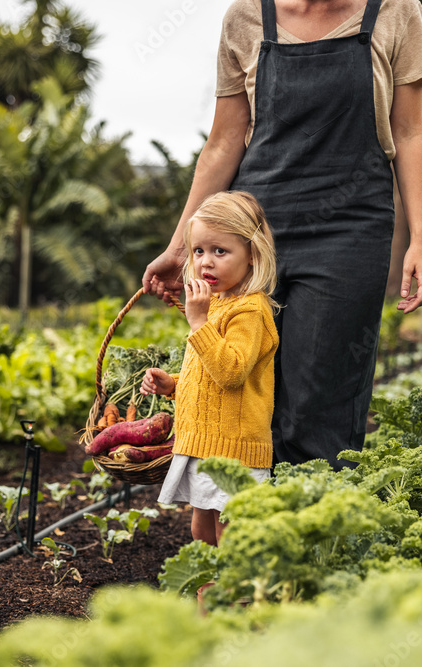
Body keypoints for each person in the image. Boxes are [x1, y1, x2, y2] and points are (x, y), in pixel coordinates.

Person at [144, 0, 422, 469]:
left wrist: (420, 237)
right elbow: (223, 140)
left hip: (350, 229)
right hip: (254, 236)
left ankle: (311, 529)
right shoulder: (246, 16)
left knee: (320, 398)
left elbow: (408, 132)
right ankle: (242, 526)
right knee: (242, 381)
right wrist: (180, 247)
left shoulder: (396, 11)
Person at [142, 191, 279, 545]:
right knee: (201, 531)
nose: (206, 262)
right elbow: (207, 377)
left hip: (234, 450)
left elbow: (231, 373)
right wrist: (172, 385)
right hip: (205, 445)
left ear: (252, 254)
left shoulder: (249, 311)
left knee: (229, 534)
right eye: (199, 251)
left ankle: (236, 599)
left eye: (221, 251)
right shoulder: (215, 304)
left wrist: (199, 322)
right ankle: (208, 597)